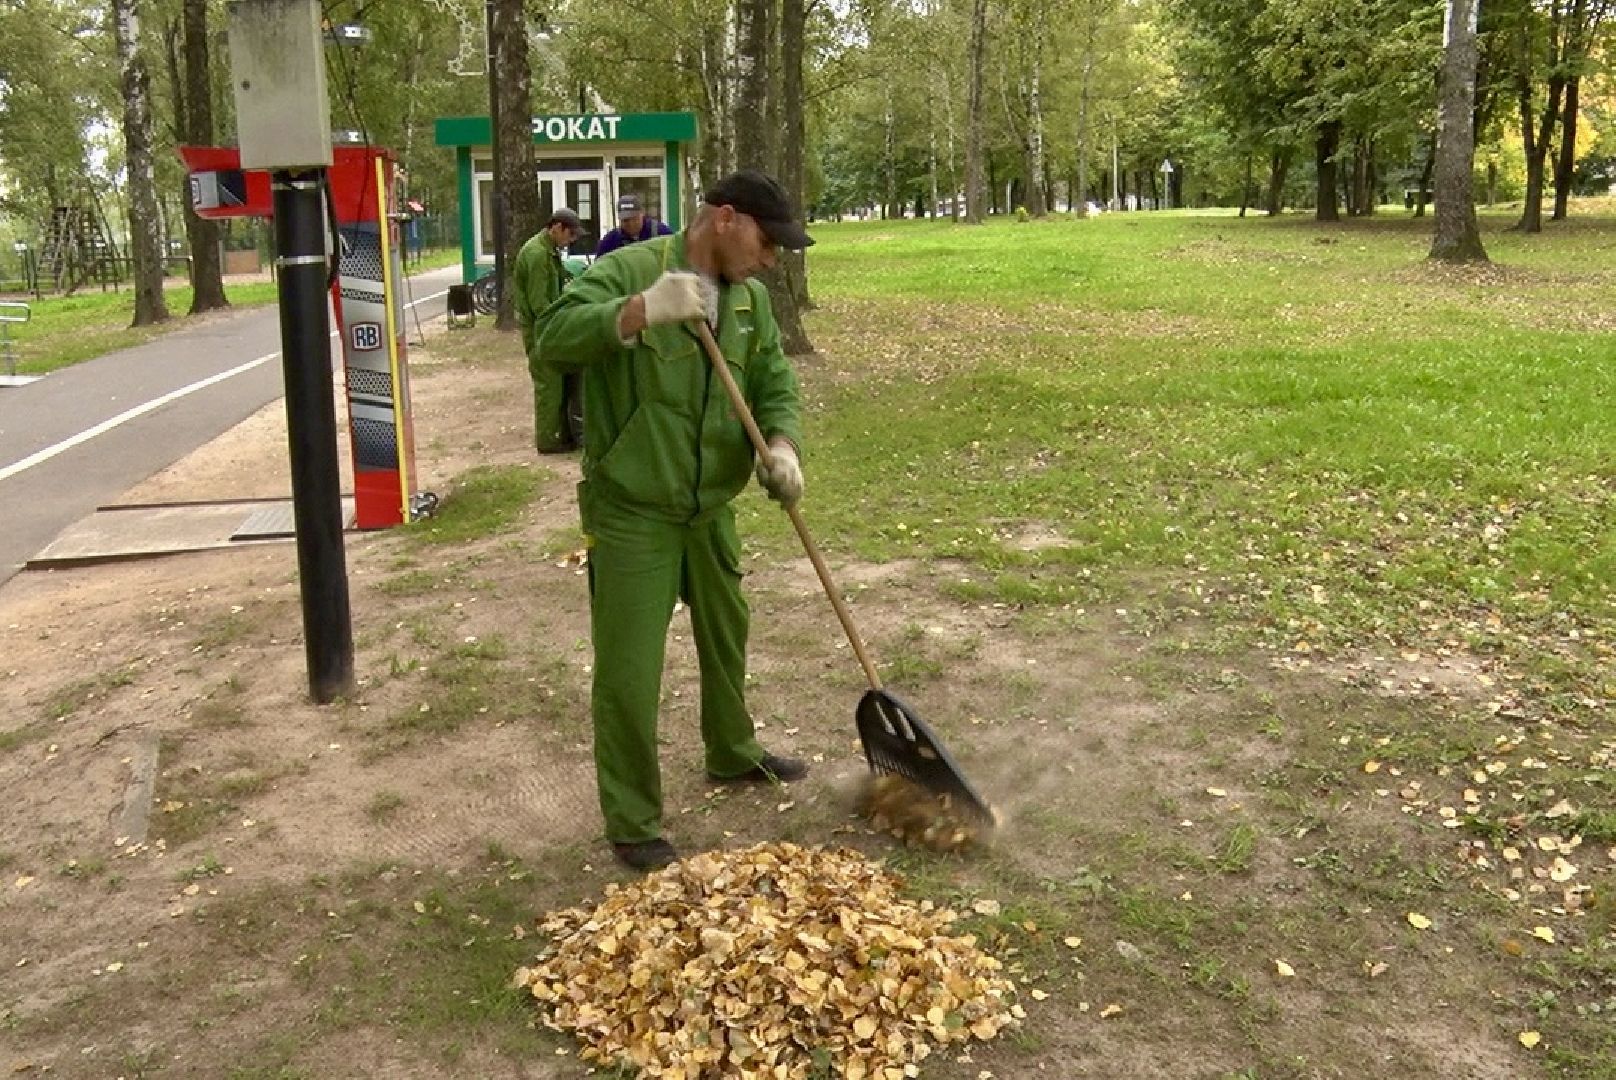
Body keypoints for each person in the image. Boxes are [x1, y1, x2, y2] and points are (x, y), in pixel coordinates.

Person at [537, 169, 815, 871]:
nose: (772, 259)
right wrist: (635, 312)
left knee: (728, 632)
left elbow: (774, 382)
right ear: (725, 218)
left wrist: (781, 447)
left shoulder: (748, 302)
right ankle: (632, 820)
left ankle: (732, 750)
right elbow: (550, 342)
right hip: (633, 509)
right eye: (767, 241)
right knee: (630, 670)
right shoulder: (630, 269)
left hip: (708, 508)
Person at [513, 207, 584, 453]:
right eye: (570, 235)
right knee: (549, 386)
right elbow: (539, 303)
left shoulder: (549, 251)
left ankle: (563, 433)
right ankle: (547, 440)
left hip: (550, 327)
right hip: (540, 330)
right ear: (557, 227)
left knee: (562, 382)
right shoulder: (537, 255)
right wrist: (559, 318)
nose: (571, 241)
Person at [593, 192, 673, 259]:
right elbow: (598, 267)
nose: (631, 224)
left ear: (642, 213)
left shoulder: (662, 233)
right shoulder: (610, 241)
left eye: (634, 219)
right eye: (626, 220)